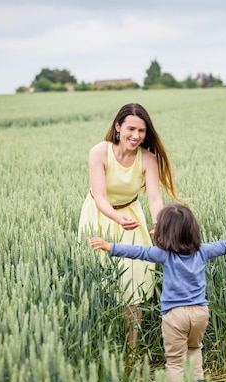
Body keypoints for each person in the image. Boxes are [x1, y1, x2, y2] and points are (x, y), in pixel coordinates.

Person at [89, 203, 226, 382]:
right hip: (200, 313)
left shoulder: (164, 254)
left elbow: (138, 252)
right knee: (194, 349)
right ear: (193, 230)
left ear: (164, 234)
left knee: (174, 362)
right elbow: (225, 245)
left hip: (175, 315)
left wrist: (109, 246)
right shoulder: (203, 251)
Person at [78, 103, 181, 350]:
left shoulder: (147, 159)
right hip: (99, 217)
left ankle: (132, 349)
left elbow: (155, 199)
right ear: (117, 127)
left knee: (133, 284)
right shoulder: (99, 152)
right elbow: (100, 196)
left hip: (132, 220)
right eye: (131, 129)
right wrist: (116, 218)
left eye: (142, 131)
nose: (136, 136)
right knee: (96, 278)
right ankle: (99, 342)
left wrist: (160, 223)